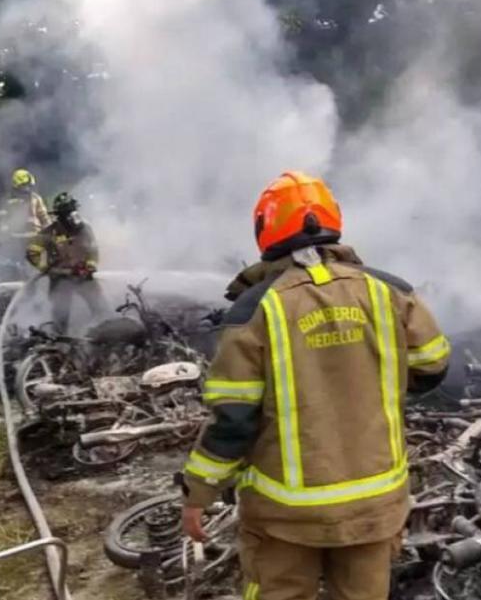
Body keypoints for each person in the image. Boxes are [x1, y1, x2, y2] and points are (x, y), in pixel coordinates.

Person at [179, 171, 450, 600]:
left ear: (265, 229)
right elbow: (433, 365)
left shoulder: (254, 310)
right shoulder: (390, 291)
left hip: (285, 517)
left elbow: (233, 419)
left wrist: (198, 493)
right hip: (374, 505)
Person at [26, 192, 107, 332]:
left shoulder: (84, 229)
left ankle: (106, 338)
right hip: (60, 281)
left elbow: (93, 250)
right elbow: (32, 252)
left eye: (73, 211)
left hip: (84, 277)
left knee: (102, 310)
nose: (73, 216)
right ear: (60, 215)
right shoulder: (50, 232)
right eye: (68, 213)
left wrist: (90, 267)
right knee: (60, 318)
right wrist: (47, 269)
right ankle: (59, 346)